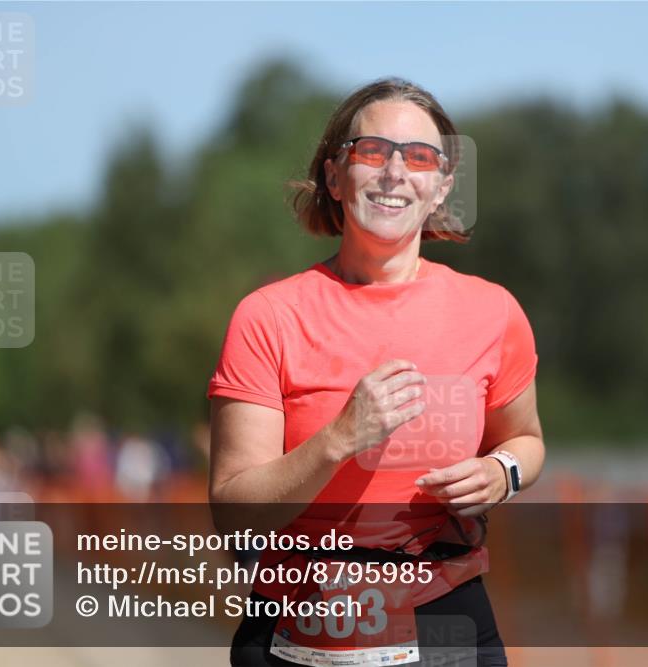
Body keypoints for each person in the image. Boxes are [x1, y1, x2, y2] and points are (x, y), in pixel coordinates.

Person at [208, 77, 545, 667]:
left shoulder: (493, 311)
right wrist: (338, 439)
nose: (395, 172)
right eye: (372, 152)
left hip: (448, 624)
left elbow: (527, 440)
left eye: (419, 157)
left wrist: (503, 472)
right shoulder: (268, 316)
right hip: (301, 630)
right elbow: (234, 514)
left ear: (440, 188)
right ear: (334, 177)